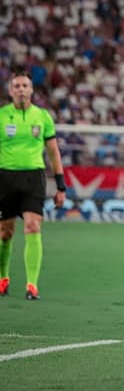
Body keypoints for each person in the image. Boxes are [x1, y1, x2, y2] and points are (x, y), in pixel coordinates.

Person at [0, 71, 66, 300]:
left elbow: (53, 153)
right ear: (10, 91)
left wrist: (60, 186)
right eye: (16, 86)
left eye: (25, 85)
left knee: (33, 226)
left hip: (33, 178)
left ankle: (32, 285)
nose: (21, 89)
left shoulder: (43, 116)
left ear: (31, 89)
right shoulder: (1, 116)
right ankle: (3, 278)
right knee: (5, 232)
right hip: (5, 179)